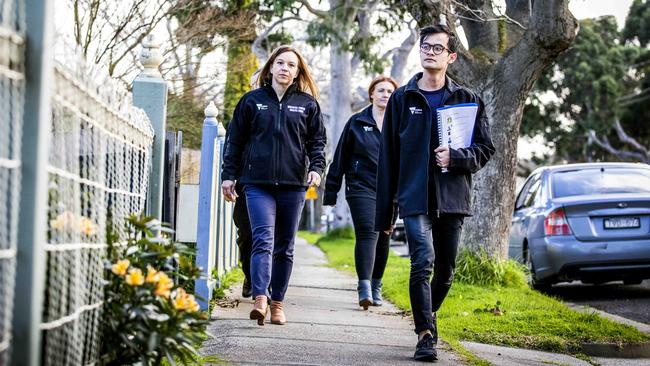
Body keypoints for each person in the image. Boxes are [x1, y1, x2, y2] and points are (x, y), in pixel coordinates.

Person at [375, 25, 495, 362]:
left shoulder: (467, 100)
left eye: (437, 48)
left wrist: (455, 158)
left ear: (451, 57)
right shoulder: (402, 99)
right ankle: (425, 335)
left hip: (453, 197)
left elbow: (485, 149)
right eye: (425, 46)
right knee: (421, 263)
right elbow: (388, 158)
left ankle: (428, 316)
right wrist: (385, 213)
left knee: (446, 272)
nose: (429, 52)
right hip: (414, 198)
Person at [221, 45, 326, 326]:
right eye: (280, 63)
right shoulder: (252, 101)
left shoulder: (307, 105)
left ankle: (278, 303)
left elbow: (317, 143)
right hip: (257, 183)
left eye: (291, 65)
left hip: (293, 185)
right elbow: (235, 142)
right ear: (270, 68)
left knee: (285, 247)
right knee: (262, 240)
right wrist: (228, 175)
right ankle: (260, 299)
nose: (285, 68)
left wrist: (316, 169)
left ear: (297, 72)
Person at [323, 75, 399, 310]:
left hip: (391, 191)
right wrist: (331, 191)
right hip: (360, 187)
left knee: (384, 236)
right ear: (371, 94)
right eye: (381, 90)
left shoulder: (400, 125)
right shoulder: (357, 122)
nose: (385, 94)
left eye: (389, 91)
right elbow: (341, 157)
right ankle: (364, 287)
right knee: (368, 231)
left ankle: (376, 286)